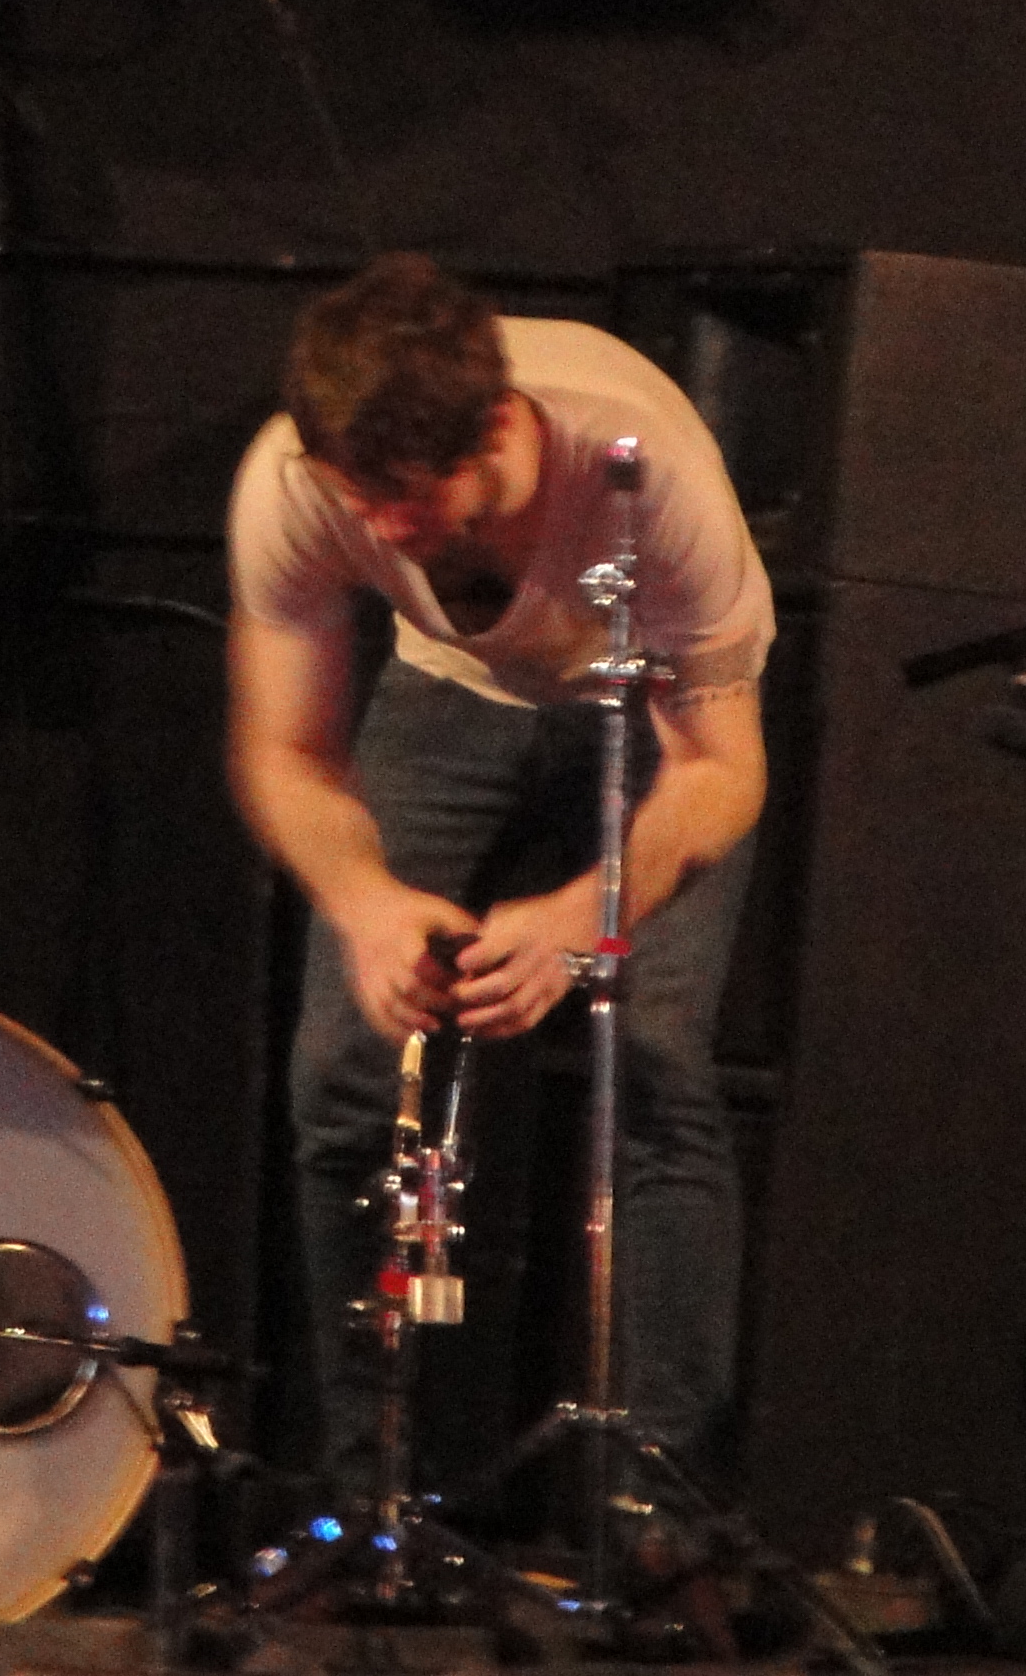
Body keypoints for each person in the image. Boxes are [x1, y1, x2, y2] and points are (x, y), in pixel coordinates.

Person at [225, 255, 770, 1495]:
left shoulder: (645, 472)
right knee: (345, 1069)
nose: (377, 528)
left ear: (498, 432)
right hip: (451, 691)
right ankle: (374, 1500)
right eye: (353, 496)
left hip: (651, 715)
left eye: (405, 499)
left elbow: (723, 771)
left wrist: (586, 916)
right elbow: (283, 749)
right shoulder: (295, 482)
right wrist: (363, 902)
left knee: (654, 1066)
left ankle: (657, 1510)